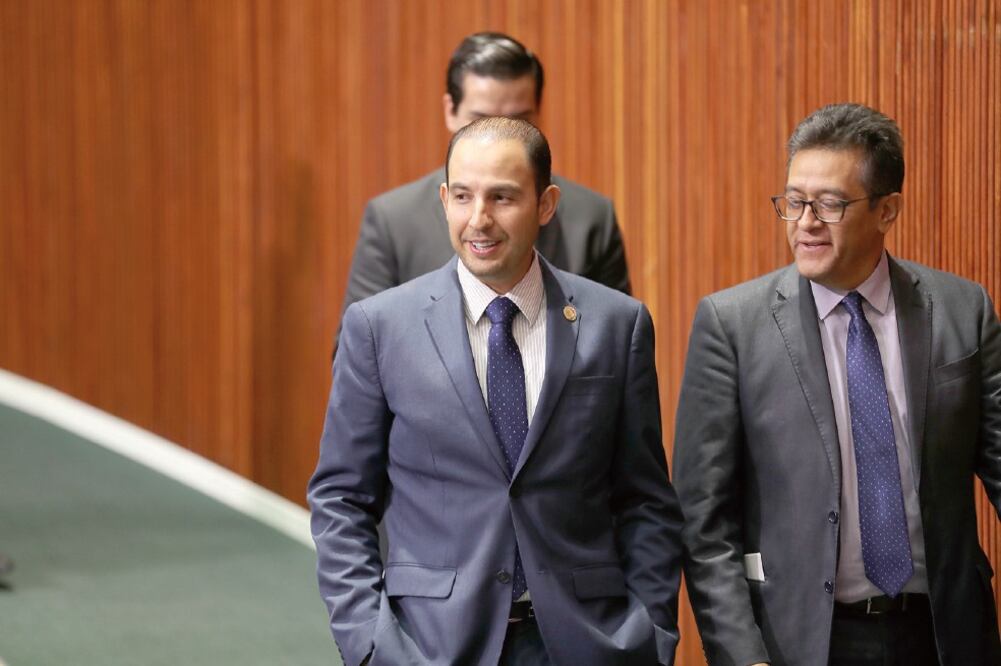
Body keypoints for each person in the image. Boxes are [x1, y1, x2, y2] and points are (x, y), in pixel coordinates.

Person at [309, 117, 682, 666]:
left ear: (546, 204)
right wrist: (368, 642)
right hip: (429, 646)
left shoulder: (616, 324)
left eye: (502, 197)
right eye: (462, 196)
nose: (478, 219)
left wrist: (648, 633)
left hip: (586, 643)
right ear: (444, 199)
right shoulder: (379, 327)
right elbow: (341, 499)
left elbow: (645, 499)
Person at [673, 102, 1001, 665]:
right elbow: (704, 523)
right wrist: (742, 656)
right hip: (803, 642)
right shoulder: (733, 324)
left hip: (942, 635)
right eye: (794, 202)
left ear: (887, 209)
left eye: (829, 204)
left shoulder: (960, 310)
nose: (806, 222)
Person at [340, 32, 630, 325]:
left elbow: (614, 341)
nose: (499, 138)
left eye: (519, 121)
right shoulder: (393, 220)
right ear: (450, 112)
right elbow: (363, 351)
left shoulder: (592, 218)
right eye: (480, 120)